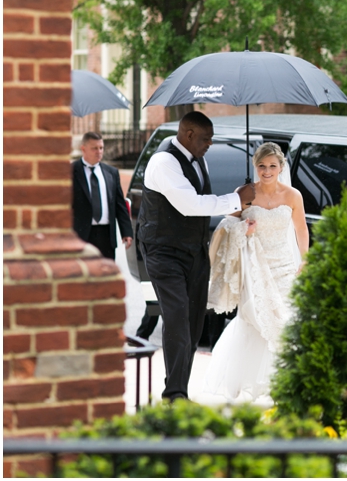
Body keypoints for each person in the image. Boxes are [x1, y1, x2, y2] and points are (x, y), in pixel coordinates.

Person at [136, 111, 256, 401]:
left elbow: (203, 203)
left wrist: (242, 211)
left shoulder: (198, 159)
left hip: (194, 250)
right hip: (163, 251)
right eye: (206, 138)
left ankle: (179, 387)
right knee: (176, 317)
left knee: (193, 322)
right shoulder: (163, 161)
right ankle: (174, 394)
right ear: (188, 134)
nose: (210, 144)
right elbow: (190, 204)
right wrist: (236, 198)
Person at [205, 142, 309, 401]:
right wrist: (243, 229)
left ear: (281, 167)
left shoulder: (293, 195)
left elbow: (301, 229)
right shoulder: (245, 192)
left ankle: (281, 383)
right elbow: (226, 225)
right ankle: (249, 384)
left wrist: (305, 260)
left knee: (285, 319)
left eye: (272, 166)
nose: (267, 171)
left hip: (284, 266)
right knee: (254, 320)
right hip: (255, 266)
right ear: (255, 166)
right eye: (262, 166)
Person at [71, 132, 134, 259]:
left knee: (107, 275)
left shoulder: (111, 172)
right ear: (83, 149)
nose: (99, 152)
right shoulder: (71, 171)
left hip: (106, 234)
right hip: (82, 234)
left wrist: (126, 231)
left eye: (101, 148)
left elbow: (119, 204)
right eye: (94, 148)